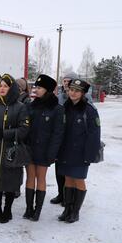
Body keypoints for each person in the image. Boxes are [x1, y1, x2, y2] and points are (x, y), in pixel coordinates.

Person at [0, 74, 29, 223]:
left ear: (12, 88)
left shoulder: (20, 107)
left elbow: (24, 129)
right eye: (0, 85)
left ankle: (7, 211)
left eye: (6, 86)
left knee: (9, 182)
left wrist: (5, 133)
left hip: (10, 150)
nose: (2, 88)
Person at [56, 79, 100, 223]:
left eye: (77, 91)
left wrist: (89, 155)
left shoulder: (90, 111)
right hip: (65, 151)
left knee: (79, 180)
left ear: (83, 93)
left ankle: (75, 212)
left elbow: (94, 136)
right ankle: (67, 209)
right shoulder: (64, 108)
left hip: (81, 153)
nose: (73, 93)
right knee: (68, 179)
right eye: (71, 90)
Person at [23, 75, 65, 221]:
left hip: (45, 150)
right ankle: (28, 209)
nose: (36, 90)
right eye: (35, 87)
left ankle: (37, 211)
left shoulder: (57, 109)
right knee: (29, 177)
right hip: (30, 148)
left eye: (39, 88)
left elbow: (58, 134)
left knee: (40, 178)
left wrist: (52, 153)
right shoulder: (31, 105)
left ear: (48, 90)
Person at [52, 72, 75, 205]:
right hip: (60, 138)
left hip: (72, 139)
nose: (66, 83)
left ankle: (69, 197)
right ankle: (61, 194)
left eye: (69, 81)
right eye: (64, 81)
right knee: (59, 169)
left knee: (70, 170)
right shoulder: (59, 97)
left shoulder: (84, 98)